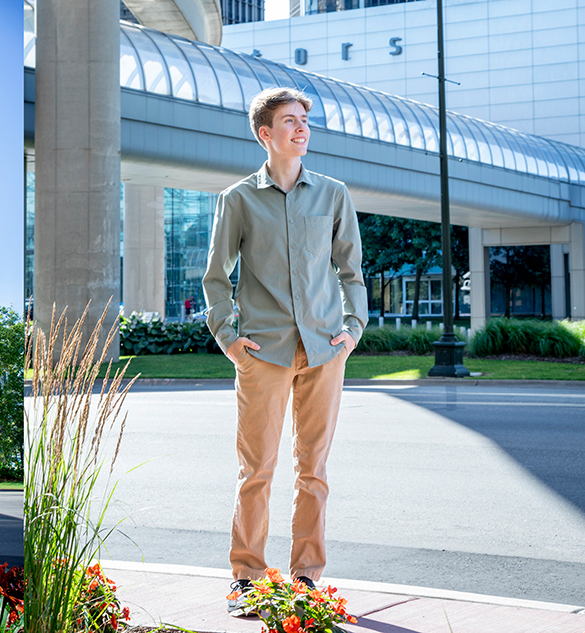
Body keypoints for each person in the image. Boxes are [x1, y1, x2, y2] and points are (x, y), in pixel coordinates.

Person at [201, 87, 367, 612]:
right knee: (257, 469)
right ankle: (246, 577)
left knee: (313, 468)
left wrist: (353, 329)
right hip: (263, 351)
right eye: (289, 122)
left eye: (304, 121)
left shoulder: (333, 195)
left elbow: (351, 272)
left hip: (324, 349)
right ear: (264, 134)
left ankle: (306, 578)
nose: (301, 129)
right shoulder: (238, 200)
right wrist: (229, 338)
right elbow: (214, 277)